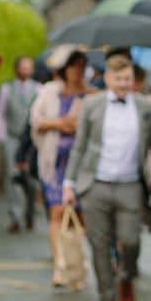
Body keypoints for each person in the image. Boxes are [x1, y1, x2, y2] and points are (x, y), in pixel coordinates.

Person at [62, 55, 151, 301]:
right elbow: (80, 146)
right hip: (95, 184)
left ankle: (126, 277)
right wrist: (69, 183)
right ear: (108, 79)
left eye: (128, 79)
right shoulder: (91, 104)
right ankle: (106, 299)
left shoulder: (146, 107)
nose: (124, 84)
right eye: (119, 79)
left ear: (134, 80)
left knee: (131, 240)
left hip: (131, 185)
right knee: (99, 244)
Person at [31, 47, 91, 288]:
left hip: (81, 164)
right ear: (64, 69)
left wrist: (77, 127)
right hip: (54, 162)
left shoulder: (91, 95)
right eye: (73, 66)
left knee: (77, 215)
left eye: (81, 66)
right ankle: (60, 265)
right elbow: (36, 122)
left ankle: (77, 267)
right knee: (57, 212)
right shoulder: (49, 92)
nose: (77, 71)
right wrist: (60, 123)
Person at [0, 56, 41, 234]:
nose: (25, 70)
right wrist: (3, 138)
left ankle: (30, 213)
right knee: (13, 177)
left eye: (28, 67)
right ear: (16, 69)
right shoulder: (6, 89)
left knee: (32, 179)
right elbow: (0, 114)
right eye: (22, 67)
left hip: (33, 141)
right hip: (13, 138)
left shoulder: (39, 89)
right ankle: (15, 215)